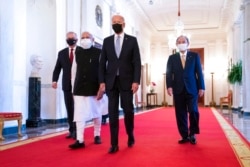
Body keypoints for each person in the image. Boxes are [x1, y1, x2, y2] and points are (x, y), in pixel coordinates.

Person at [98, 14, 141, 153]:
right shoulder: (107, 41)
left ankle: (130, 133)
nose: (115, 23)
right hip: (111, 82)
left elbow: (137, 63)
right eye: (113, 22)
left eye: (118, 22)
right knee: (112, 112)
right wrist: (102, 81)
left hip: (127, 81)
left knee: (128, 110)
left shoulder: (132, 41)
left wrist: (136, 81)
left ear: (124, 24)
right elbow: (102, 63)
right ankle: (114, 144)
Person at [166, 35, 205, 145]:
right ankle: (184, 135)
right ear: (176, 44)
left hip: (192, 89)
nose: (181, 43)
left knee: (193, 111)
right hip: (178, 89)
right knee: (180, 113)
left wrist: (201, 87)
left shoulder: (194, 56)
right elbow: (169, 74)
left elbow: (199, 72)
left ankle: (192, 133)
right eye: (179, 41)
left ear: (188, 43)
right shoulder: (172, 58)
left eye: (183, 41)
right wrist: (169, 86)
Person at [69, 31, 105, 149]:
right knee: (79, 114)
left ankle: (97, 134)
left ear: (92, 39)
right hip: (79, 88)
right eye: (83, 37)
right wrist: (73, 88)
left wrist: (102, 86)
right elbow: (74, 71)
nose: (85, 39)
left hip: (94, 87)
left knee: (96, 112)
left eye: (87, 37)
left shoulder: (99, 52)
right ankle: (80, 140)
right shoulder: (77, 52)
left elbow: (103, 70)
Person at [52, 32, 80, 139]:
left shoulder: (82, 51)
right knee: (69, 108)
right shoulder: (62, 53)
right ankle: (72, 130)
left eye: (72, 38)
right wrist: (55, 80)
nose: (70, 40)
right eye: (68, 38)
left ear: (76, 39)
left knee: (78, 108)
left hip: (79, 85)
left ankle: (78, 130)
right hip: (67, 85)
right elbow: (57, 68)